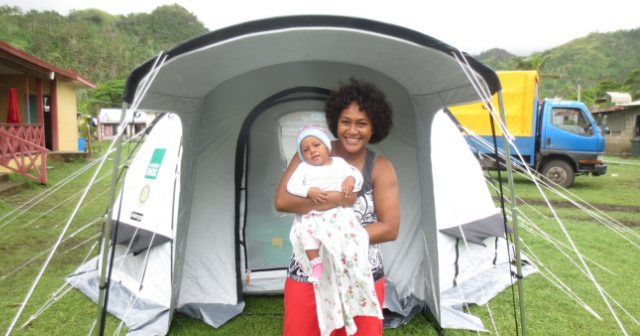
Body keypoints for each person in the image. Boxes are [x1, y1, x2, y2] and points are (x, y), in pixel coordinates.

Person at [275, 78, 401, 336]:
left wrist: (339, 239)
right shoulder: (311, 152)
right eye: (346, 122)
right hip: (310, 270)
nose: (352, 131)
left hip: (358, 272)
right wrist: (338, 198)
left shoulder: (380, 167)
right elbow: (283, 201)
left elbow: (389, 228)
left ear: (374, 126)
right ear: (335, 122)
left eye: (362, 123)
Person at [287, 125, 381, 336]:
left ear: (327, 146)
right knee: (306, 233)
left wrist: (349, 180)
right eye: (305, 150)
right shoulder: (303, 168)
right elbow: (291, 187)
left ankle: (349, 264)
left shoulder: (339, 163)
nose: (312, 151)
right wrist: (308, 191)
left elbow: (355, 176)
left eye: (316, 145)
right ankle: (316, 264)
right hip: (314, 213)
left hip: (337, 213)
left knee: (345, 234)